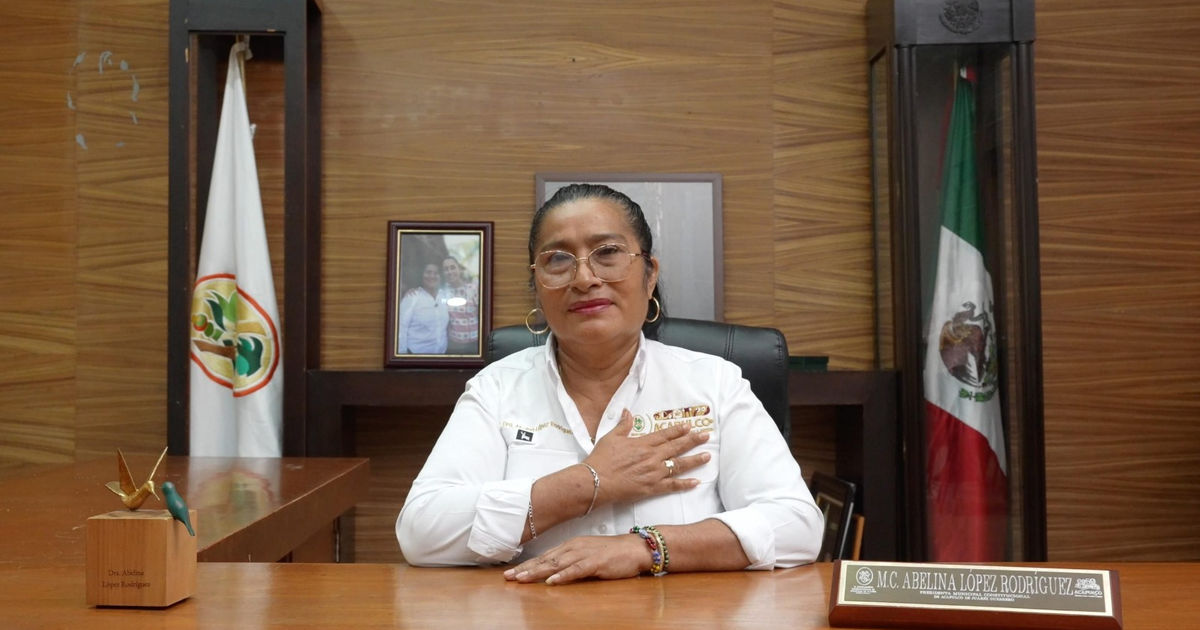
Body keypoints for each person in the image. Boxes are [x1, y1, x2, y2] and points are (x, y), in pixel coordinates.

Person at [397, 184, 823, 584]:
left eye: (607, 252)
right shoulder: (497, 389)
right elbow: (421, 530)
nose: (584, 279)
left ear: (649, 274)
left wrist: (645, 548)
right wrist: (587, 482)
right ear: (537, 288)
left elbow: (797, 525)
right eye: (558, 259)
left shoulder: (714, 383)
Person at [397, 262, 449, 354]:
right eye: (428, 272)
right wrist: (402, 356)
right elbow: (400, 327)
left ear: (440, 276)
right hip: (416, 356)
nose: (432, 276)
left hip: (441, 355)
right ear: (422, 275)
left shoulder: (444, 295)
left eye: (436, 273)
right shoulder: (412, 297)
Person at [441, 255, 481, 355]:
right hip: (454, 344)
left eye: (453, 267)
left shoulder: (474, 289)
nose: (450, 272)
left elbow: (483, 315)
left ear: (459, 269)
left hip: (475, 343)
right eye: (446, 269)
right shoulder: (442, 292)